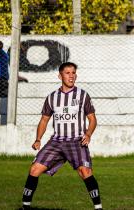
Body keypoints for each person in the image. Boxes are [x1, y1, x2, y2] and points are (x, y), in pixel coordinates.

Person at [20, 62, 102, 210]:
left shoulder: (82, 95)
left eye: (73, 73)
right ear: (60, 76)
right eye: (67, 73)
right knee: (34, 169)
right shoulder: (52, 97)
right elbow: (44, 120)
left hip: (77, 140)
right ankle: (25, 207)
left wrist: (88, 134)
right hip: (56, 142)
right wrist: (38, 139)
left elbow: (92, 119)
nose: (71, 76)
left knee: (85, 172)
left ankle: (98, 208)